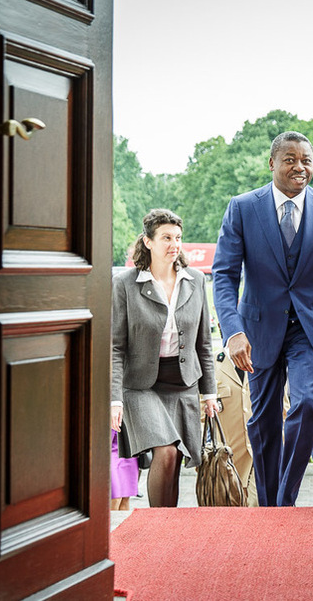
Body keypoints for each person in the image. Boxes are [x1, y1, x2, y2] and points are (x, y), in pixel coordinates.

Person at [212, 131, 313, 507]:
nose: (300, 167)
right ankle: (270, 503)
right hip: (257, 331)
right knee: (263, 421)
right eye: (290, 159)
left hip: (311, 330)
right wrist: (234, 332)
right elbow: (224, 276)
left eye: (306, 160)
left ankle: (284, 501)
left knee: (307, 404)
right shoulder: (243, 207)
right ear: (271, 163)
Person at [111, 209, 218, 507]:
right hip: (141, 386)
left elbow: (203, 344)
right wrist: (115, 399)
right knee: (166, 450)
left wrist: (209, 393)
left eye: (178, 238)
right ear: (148, 241)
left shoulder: (195, 280)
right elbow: (116, 347)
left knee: (174, 459)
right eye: (166, 238)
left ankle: (169, 530)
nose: (174, 244)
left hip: (182, 385)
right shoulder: (125, 284)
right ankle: (158, 526)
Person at [209, 349, 260, 506]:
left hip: (259, 459)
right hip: (226, 463)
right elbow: (200, 416)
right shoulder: (211, 365)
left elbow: (283, 413)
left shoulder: (266, 360)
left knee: (258, 510)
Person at [110, 429, 139, 510]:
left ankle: (124, 522)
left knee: (125, 498)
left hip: (127, 442)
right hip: (108, 435)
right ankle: (112, 522)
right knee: (115, 497)